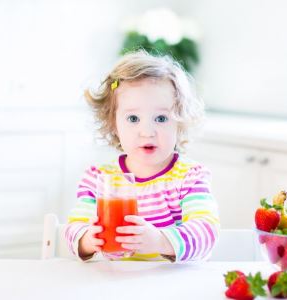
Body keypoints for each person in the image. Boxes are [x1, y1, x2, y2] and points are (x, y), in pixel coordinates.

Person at [64, 51, 220, 262]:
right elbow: (74, 227)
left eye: (161, 118)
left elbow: (206, 231)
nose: (147, 131)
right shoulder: (99, 178)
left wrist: (160, 241)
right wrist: (87, 239)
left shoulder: (190, 177)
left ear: (180, 122)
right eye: (133, 118)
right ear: (113, 123)